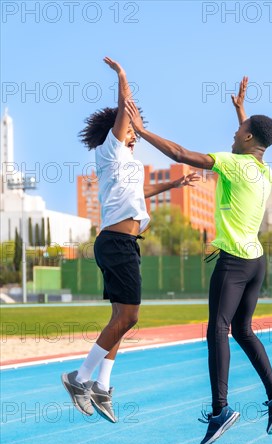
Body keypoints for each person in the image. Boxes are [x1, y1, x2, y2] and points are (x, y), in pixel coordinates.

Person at [124, 76, 272, 444]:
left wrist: (141, 130)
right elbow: (254, 141)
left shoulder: (233, 164)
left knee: (217, 329)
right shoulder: (264, 171)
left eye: (239, 131)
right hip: (256, 262)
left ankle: (220, 411)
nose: (234, 135)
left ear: (247, 139)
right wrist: (241, 112)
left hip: (233, 262)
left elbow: (181, 154)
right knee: (243, 330)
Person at [62, 57, 199, 423]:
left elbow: (141, 190)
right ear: (117, 131)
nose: (135, 134)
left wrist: (174, 183)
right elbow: (124, 108)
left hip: (124, 244)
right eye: (132, 130)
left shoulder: (127, 164)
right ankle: (80, 377)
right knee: (131, 316)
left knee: (121, 316)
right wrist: (123, 77)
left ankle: (102, 386)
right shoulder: (112, 148)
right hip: (116, 244)